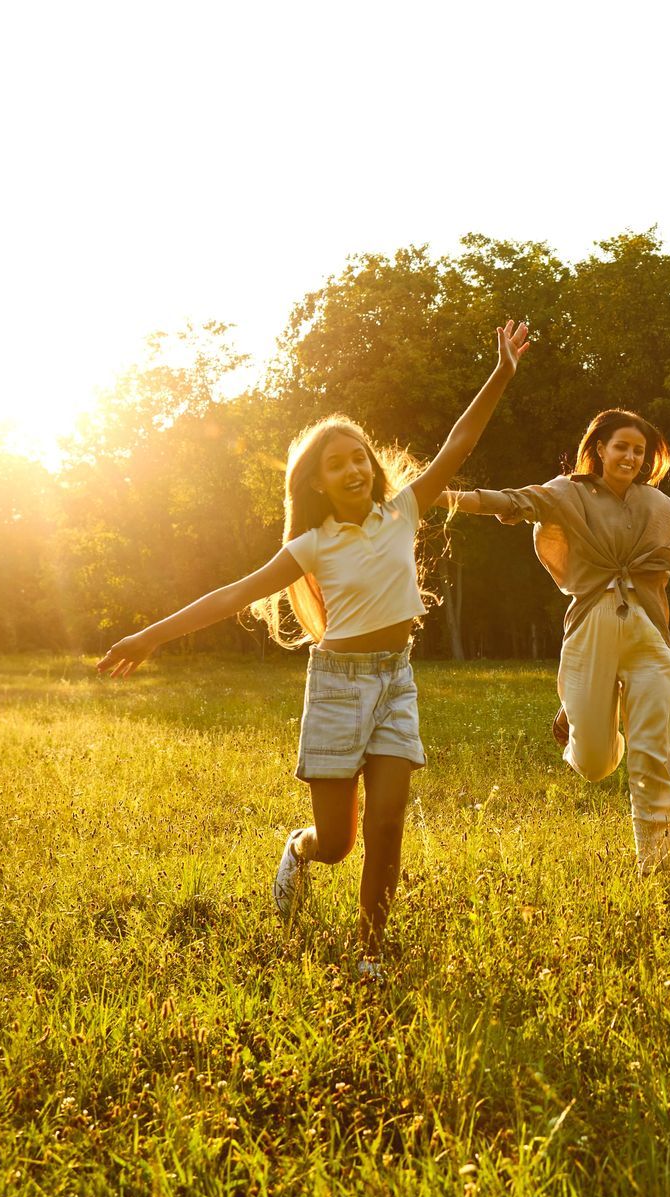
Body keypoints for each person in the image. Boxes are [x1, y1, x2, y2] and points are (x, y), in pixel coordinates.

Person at [96, 320, 531, 959]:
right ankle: (298, 851)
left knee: (387, 824)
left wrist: (501, 373)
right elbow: (231, 595)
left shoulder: (402, 509)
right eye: (338, 463)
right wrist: (149, 636)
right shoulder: (313, 544)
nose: (354, 467)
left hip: (395, 681)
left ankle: (371, 949)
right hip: (335, 691)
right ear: (317, 483)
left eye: (360, 455)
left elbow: (457, 446)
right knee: (338, 845)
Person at [446, 410, 670, 872]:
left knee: (652, 753)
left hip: (648, 636)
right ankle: (581, 718)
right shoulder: (566, 493)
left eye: (639, 450)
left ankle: (669, 863)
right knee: (595, 763)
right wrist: (440, 495)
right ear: (599, 449)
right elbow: (511, 500)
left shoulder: (656, 505)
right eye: (622, 447)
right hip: (591, 629)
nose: (631, 457)